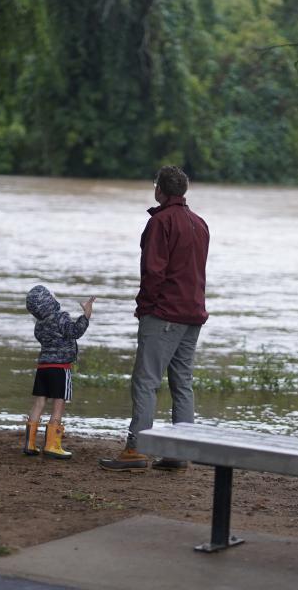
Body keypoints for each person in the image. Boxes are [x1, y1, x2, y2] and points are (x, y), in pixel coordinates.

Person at [99, 165, 210, 472]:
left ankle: (136, 449)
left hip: (164, 314)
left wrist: (145, 308)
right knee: (182, 383)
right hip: (193, 314)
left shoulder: (160, 221)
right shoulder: (200, 224)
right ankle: (178, 452)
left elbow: (153, 272)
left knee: (146, 381)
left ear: (160, 190)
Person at [23, 285, 95, 460]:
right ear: (50, 301)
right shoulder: (61, 318)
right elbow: (75, 332)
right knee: (59, 403)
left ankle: (30, 444)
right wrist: (86, 315)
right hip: (60, 368)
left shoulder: (38, 325)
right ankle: (52, 445)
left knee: (39, 402)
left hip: (43, 368)